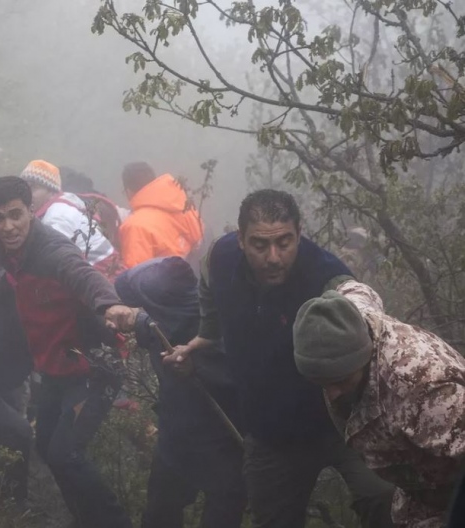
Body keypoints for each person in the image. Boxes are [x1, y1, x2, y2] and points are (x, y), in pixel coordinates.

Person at [164, 189, 394, 528]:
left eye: (285, 243)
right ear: (240, 239)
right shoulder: (220, 257)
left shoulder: (325, 275)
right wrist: (205, 336)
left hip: (345, 425)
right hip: (271, 434)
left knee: (387, 502)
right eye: (260, 245)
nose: (274, 257)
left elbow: (361, 307)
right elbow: (208, 288)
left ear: (299, 234)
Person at [0, 176, 137, 528]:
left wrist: (109, 304)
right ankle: (85, 519)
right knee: (48, 448)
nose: (8, 226)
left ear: (31, 212)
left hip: (94, 368)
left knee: (65, 453)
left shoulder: (51, 250)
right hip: (56, 369)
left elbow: (83, 274)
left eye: (15, 215)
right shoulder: (6, 253)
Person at [294, 281, 465, 527]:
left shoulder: (426, 391)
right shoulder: (350, 316)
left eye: (341, 380)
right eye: (321, 382)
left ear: (364, 357)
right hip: (418, 491)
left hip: (451, 495)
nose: (332, 394)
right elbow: (357, 289)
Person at [115, 257, 246, 528]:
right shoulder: (159, 312)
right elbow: (125, 289)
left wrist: (193, 368)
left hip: (224, 442)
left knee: (221, 515)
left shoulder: (214, 327)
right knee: (159, 514)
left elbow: (236, 379)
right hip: (176, 439)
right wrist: (127, 313)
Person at [19, 160, 123, 280]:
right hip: (102, 272)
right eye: (24, 188)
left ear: (51, 190)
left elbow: (49, 259)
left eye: (33, 188)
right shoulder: (61, 205)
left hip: (104, 276)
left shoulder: (57, 215)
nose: (26, 194)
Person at [119, 162, 204, 267]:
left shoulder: (134, 226)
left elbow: (137, 277)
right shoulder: (182, 202)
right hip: (198, 274)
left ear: (128, 191)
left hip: (173, 281)